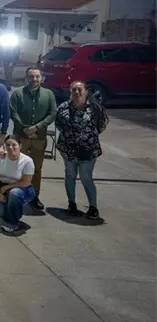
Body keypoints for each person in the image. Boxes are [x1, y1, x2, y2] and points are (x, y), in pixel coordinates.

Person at [55, 80, 108, 220]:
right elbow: (58, 124)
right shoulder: (63, 107)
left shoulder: (95, 108)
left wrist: (87, 137)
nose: (77, 93)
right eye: (74, 90)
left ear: (86, 92)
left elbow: (102, 124)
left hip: (88, 151)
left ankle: (93, 207)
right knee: (70, 174)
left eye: (80, 90)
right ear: (70, 92)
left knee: (86, 176)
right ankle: (71, 203)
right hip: (68, 150)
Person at [9, 65, 57, 210]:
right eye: (31, 76)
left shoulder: (49, 94)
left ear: (41, 78)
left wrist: (37, 127)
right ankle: (16, 195)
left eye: (37, 76)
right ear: (26, 77)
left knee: (36, 169)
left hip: (39, 138)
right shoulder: (17, 93)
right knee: (17, 167)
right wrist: (24, 127)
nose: (34, 79)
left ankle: (34, 196)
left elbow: (53, 113)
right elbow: (13, 112)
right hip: (21, 137)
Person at [0, 135, 36, 234]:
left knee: (14, 194)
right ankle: (14, 210)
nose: (11, 147)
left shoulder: (27, 161)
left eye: (14, 145)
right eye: (8, 145)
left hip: (23, 189)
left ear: (20, 145)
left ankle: (12, 224)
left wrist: (8, 187)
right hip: (3, 187)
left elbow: (26, 182)